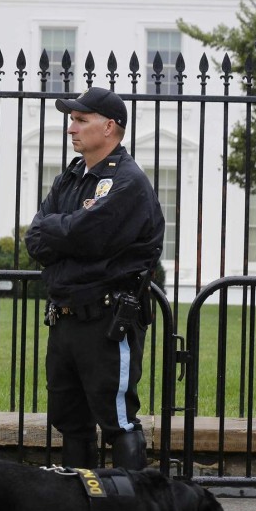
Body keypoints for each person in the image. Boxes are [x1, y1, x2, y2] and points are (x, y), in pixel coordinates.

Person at [25, 87, 165, 470]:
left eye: (81, 120)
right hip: (65, 316)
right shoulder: (70, 178)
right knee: (71, 421)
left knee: (117, 419)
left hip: (107, 321)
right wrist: (68, 233)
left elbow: (89, 235)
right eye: (71, 119)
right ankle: (80, 507)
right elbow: (36, 238)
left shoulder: (127, 181)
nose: (72, 128)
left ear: (109, 127)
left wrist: (66, 233)